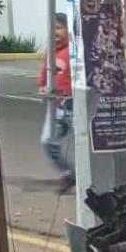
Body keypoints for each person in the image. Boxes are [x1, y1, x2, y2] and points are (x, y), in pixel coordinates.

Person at [38, 12, 74, 192]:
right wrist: (43, 88)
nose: (55, 32)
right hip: (57, 109)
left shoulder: (74, 52)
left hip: (75, 108)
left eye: (59, 28)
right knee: (47, 141)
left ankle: (93, 182)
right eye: (52, 28)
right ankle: (69, 174)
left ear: (69, 30)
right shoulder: (51, 53)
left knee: (87, 148)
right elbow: (43, 77)